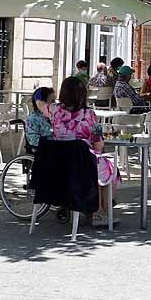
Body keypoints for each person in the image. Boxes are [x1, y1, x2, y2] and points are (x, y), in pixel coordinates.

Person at [51, 76, 119, 227]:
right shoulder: (89, 115)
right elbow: (99, 144)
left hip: (58, 164)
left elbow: (43, 105)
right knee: (108, 167)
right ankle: (101, 212)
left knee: (100, 166)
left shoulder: (54, 111)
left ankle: (96, 210)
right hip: (82, 164)